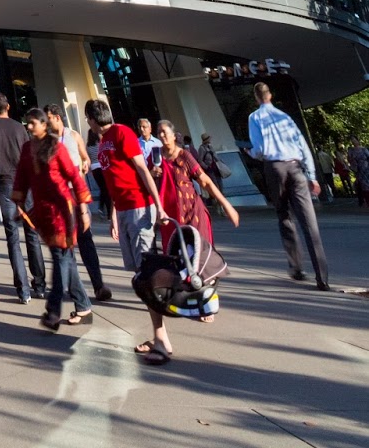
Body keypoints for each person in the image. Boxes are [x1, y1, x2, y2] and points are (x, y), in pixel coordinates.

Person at [135, 118, 241, 365]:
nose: (162, 136)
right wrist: (153, 173)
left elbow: (204, 180)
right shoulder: (155, 157)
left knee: (202, 262)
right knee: (177, 262)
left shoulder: (184, 156)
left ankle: (208, 305)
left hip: (192, 212)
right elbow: (146, 182)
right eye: (159, 132)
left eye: (165, 132)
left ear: (174, 136)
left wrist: (226, 205)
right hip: (170, 218)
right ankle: (186, 302)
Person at [13, 108, 93, 332]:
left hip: (62, 212)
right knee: (66, 260)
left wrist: (84, 209)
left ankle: (53, 310)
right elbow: (22, 176)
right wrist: (19, 204)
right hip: (43, 212)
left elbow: (74, 177)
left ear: (44, 124)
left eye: (33, 124)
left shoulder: (56, 147)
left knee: (60, 258)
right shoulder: (27, 148)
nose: (29, 127)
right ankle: (84, 305)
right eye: (27, 123)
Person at [247, 81, 329, 290]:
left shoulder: (255, 117)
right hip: (296, 167)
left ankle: (297, 267)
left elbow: (260, 148)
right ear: (270, 96)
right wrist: (312, 176)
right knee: (309, 222)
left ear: (257, 98)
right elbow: (302, 145)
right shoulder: (285, 117)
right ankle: (322, 277)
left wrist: (251, 154)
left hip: (275, 168)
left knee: (284, 216)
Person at [84, 98, 168, 274]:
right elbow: (113, 183)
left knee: (145, 263)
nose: (87, 122)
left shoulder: (122, 132)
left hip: (138, 206)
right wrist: (113, 216)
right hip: (121, 209)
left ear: (92, 118)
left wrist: (159, 207)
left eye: (87, 118)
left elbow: (143, 170)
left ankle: (160, 299)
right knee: (135, 266)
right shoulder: (102, 142)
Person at [43, 104, 111, 301]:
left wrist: (85, 163)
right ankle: (74, 289)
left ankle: (98, 285)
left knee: (85, 240)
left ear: (57, 118)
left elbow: (85, 157)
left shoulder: (73, 136)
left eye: (48, 118)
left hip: (76, 194)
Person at [0, 93, 46, 300]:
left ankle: (23, 290)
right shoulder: (20, 128)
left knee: (12, 237)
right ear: (8, 106)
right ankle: (39, 284)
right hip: (25, 184)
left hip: (4, 185)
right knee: (32, 234)